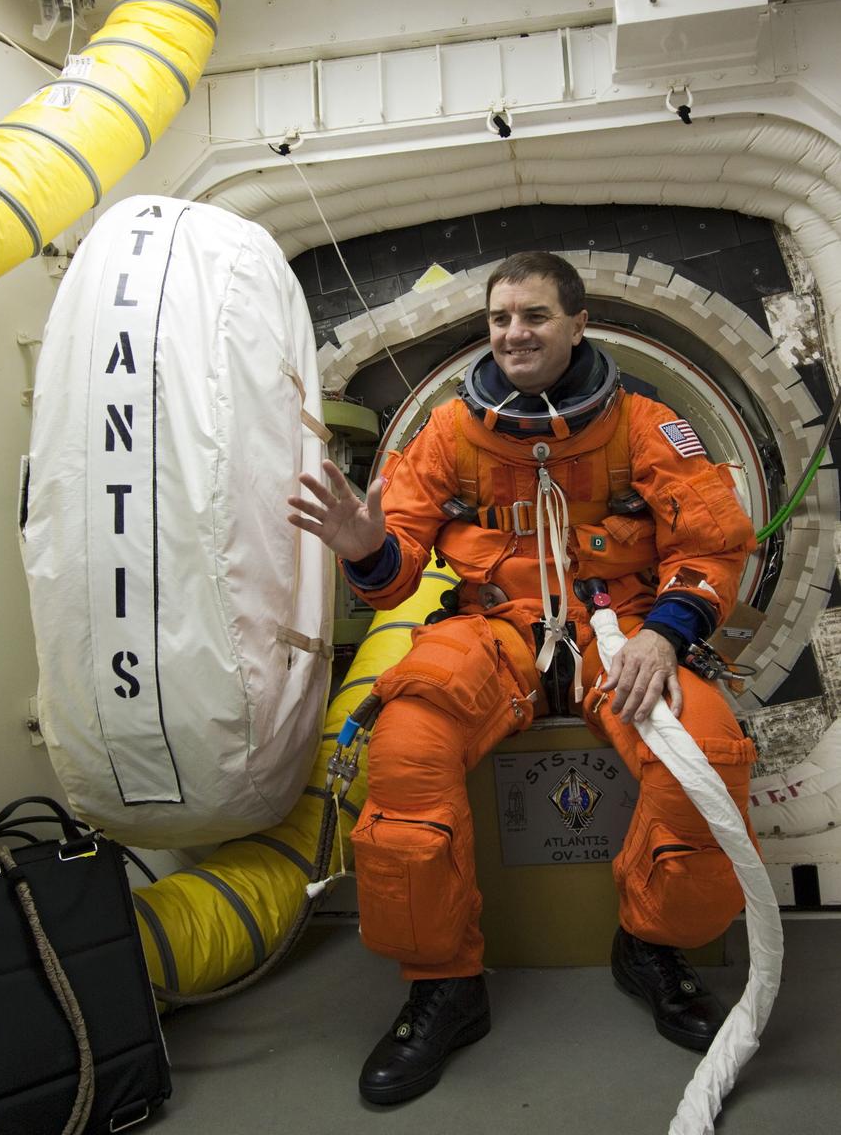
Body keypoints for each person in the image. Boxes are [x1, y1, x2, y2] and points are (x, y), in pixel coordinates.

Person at [288, 250, 758, 1106]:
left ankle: (652, 944)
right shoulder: (446, 434)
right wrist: (364, 549)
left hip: (619, 628)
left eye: (534, 316)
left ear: (577, 325)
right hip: (494, 627)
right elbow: (395, 578)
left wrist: (663, 633)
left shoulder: (645, 425)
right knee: (406, 747)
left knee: (708, 752)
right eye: (501, 318)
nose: (513, 333)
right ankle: (444, 985)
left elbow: (712, 546)